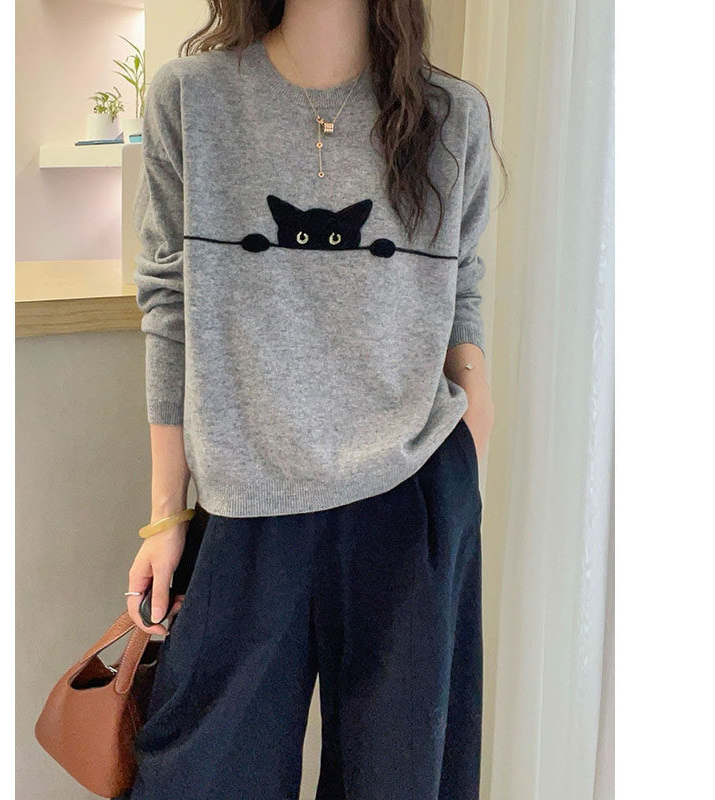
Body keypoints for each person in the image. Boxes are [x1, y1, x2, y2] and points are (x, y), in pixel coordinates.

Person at [123, 1, 498, 797]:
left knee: (401, 780)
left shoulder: (451, 116)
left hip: (412, 494)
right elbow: (169, 306)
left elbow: (460, 294)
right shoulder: (192, 99)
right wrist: (166, 514)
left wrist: (474, 447)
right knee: (202, 775)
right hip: (245, 499)